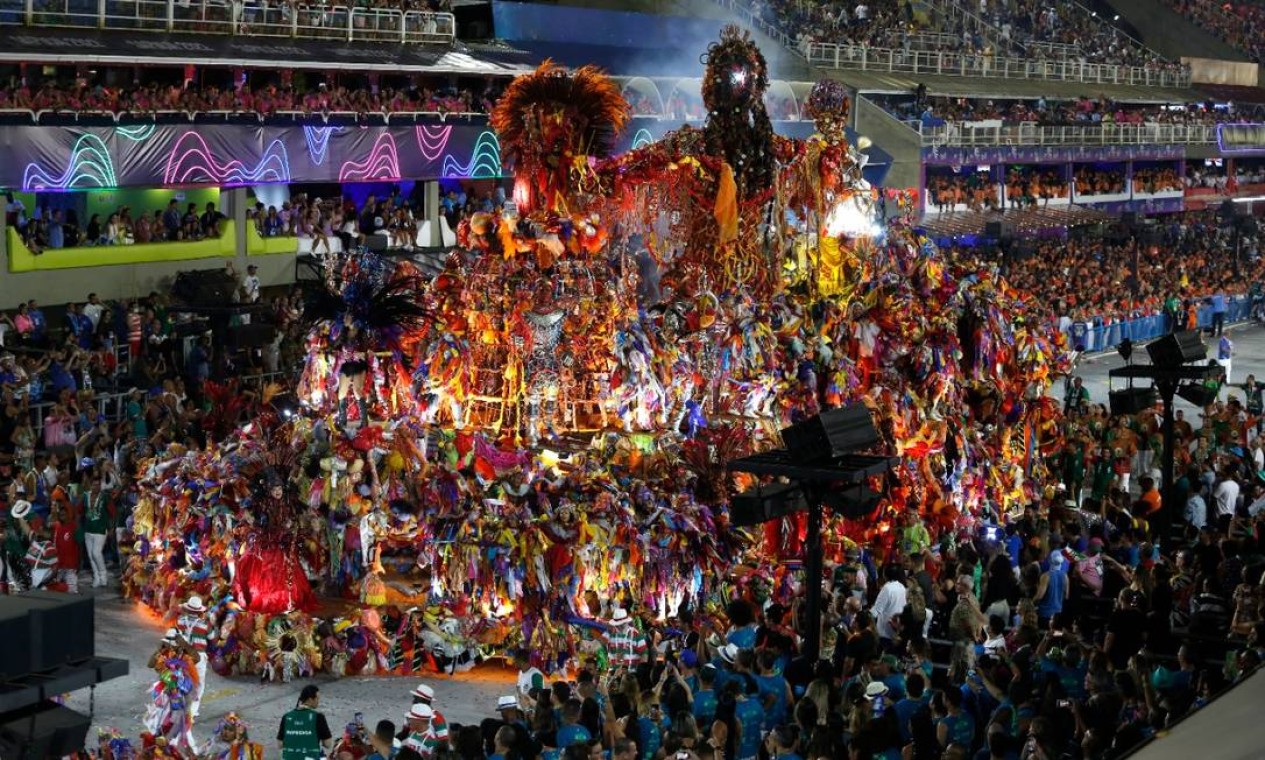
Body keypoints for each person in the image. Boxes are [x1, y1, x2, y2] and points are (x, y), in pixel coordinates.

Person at [145, 629, 201, 754]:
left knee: (181, 720)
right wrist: (159, 649)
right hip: (165, 692)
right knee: (160, 719)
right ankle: (161, 743)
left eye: (171, 644)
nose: (169, 646)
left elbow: (197, 658)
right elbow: (150, 664)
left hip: (183, 692)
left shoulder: (186, 656)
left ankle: (187, 750)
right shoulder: (165, 654)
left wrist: (184, 645)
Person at [277, 684, 332, 760]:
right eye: (317, 699)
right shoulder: (318, 717)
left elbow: (280, 744)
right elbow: (328, 744)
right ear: (310, 699)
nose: (318, 702)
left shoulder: (286, 717)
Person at [177, 595, 211, 719]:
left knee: (182, 680)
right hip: (198, 656)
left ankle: (180, 706)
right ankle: (192, 711)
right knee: (198, 683)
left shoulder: (180, 620)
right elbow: (212, 637)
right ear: (199, 611)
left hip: (183, 655)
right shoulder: (205, 624)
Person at [82, 478, 111, 588]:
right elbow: (80, 511)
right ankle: (96, 577)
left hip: (100, 528)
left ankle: (103, 575)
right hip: (88, 529)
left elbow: (111, 511)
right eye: (94, 485)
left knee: (96, 553)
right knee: (90, 555)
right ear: (90, 485)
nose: (96, 487)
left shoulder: (105, 497)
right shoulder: (85, 496)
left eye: (98, 485)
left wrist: (111, 527)